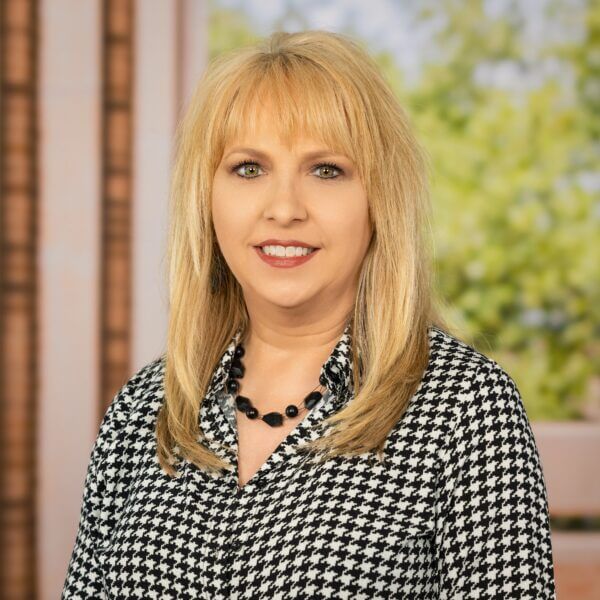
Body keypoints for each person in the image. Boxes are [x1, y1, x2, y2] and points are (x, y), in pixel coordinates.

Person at [62, 29, 556, 599]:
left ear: (380, 199)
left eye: (326, 170)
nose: (284, 209)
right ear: (207, 197)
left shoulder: (468, 410)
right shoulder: (143, 410)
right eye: (249, 168)